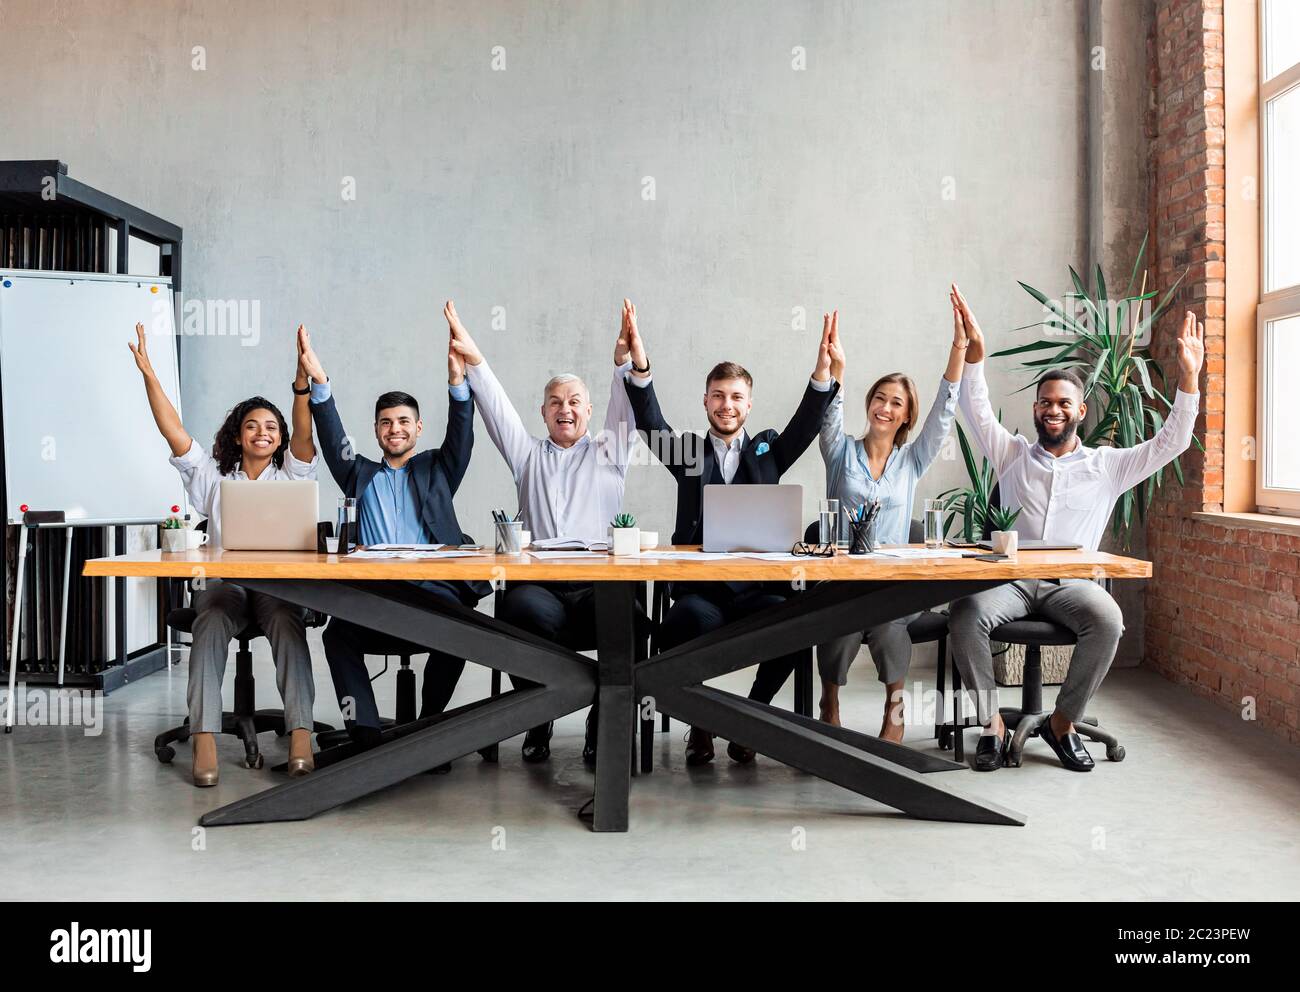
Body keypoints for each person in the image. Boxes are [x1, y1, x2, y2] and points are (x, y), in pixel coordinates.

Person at [946, 284, 1204, 771]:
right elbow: (974, 407)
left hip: (1072, 585)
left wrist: (1188, 378)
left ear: (1080, 411)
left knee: (1109, 620)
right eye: (1045, 402)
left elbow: (1171, 442)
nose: (1053, 409)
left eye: (1064, 402)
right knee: (964, 614)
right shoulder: (1012, 455)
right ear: (1036, 409)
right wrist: (974, 354)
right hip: (1013, 582)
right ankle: (992, 725)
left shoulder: (1108, 465)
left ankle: (1062, 723)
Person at [625, 312, 840, 765]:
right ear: (705, 401)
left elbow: (804, 424)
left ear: (749, 404)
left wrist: (822, 373)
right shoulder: (687, 453)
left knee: (797, 625)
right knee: (681, 625)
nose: (727, 405)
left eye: (737, 397)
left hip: (755, 591)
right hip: (701, 594)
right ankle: (701, 721)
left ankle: (752, 720)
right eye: (719, 396)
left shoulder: (768, 453)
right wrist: (640, 366)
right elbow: (649, 422)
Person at [447, 299, 638, 764]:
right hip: (542, 587)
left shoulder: (610, 451)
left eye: (574, 402)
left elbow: (626, 408)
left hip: (599, 584)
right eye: (556, 403)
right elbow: (496, 409)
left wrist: (623, 366)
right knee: (517, 610)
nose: (565, 410)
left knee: (628, 615)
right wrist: (474, 360)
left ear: (590, 412)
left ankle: (602, 717)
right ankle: (540, 710)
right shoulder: (527, 455)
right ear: (543, 412)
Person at [129, 321, 318, 787]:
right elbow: (173, 431)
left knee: (288, 623)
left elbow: (303, 428)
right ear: (237, 435)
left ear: (278, 439)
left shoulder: (293, 472)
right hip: (225, 585)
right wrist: (150, 376)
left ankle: (299, 734)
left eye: (270, 427)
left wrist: (300, 384)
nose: (262, 432)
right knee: (210, 620)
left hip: (277, 583)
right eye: (252, 425)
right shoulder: (211, 475)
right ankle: (205, 737)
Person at [298, 325, 489, 765]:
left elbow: (462, 434)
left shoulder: (438, 470)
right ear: (377, 431)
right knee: (338, 636)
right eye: (386, 423)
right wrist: (319, 384)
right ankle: (365, 736)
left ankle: (428, 730)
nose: (395, 429)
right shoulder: (358, 473)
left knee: (457, 628)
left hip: (432, 592)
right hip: (376, 596)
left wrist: (457, 385)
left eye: (403, 421)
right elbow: (331, 439)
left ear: (418, 428)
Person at [815, 306, 966, 741]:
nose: (884, 407)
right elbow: (827, 411)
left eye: (895, 402)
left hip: (892, 584)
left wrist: (958, 348)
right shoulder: (840, 452)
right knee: (837, 622)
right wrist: (835, 368)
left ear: (905, 417)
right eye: (879, 398)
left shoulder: (913, 460)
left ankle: (894, 710)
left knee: (887, 624)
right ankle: (830, 701)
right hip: (843, 581)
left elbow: (943, 413)